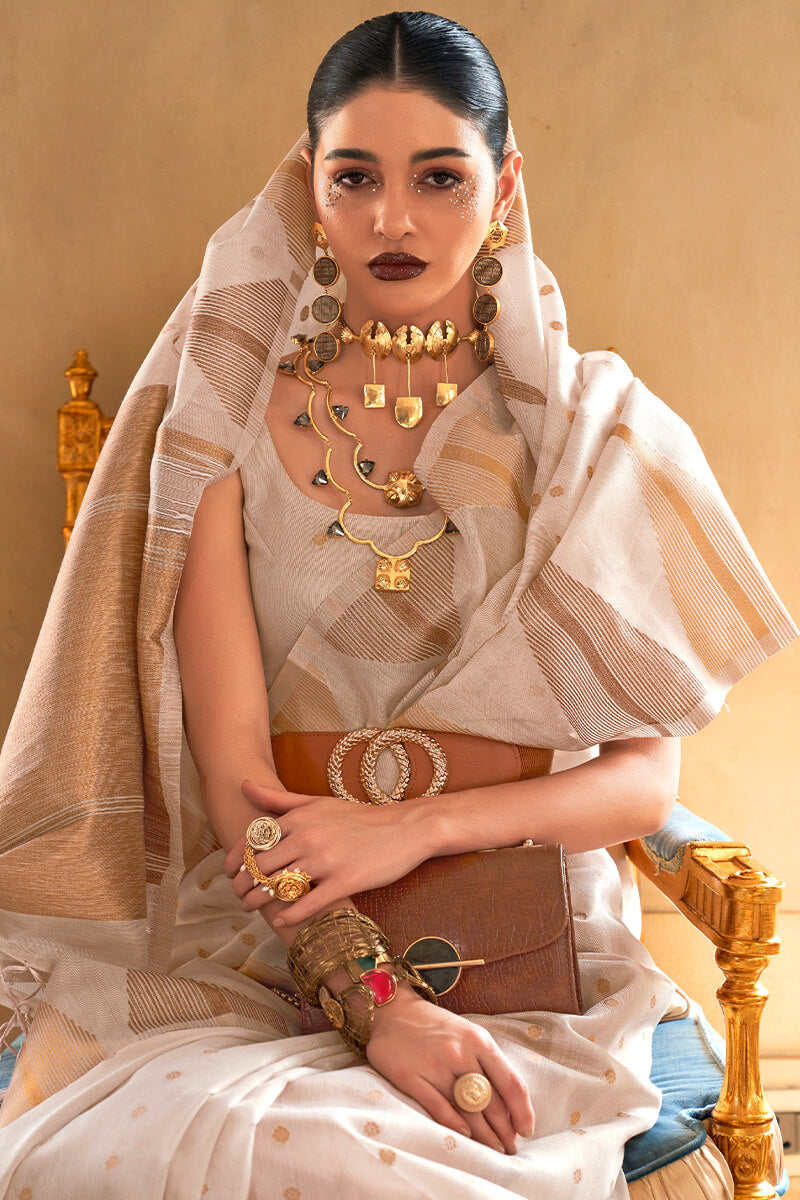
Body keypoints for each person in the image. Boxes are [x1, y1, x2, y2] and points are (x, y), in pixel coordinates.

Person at [0, 11, 795, 1199]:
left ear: (503, 186)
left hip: (519, 941)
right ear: (307, 186)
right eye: (354, 177)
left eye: (437, 177)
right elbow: (236, 781)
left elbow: (641, 785)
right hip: (269, 928)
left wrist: (413, 829)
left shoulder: (589, 434)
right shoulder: (219, 428)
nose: (391, 219)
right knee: (217, 1145)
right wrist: (375, 1004)